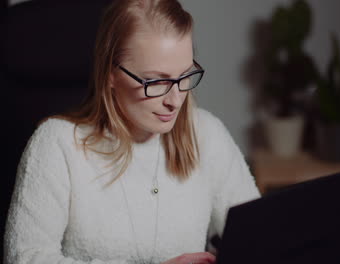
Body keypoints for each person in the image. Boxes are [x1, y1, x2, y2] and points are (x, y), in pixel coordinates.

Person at [3, 0, 260, 263]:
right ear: (110, 74)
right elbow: (24, 257)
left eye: (184, 76)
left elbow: (259, 237)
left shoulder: (205, 133)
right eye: (157, 81)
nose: (175, 99)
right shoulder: (57, 144)